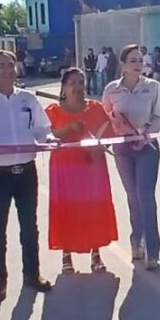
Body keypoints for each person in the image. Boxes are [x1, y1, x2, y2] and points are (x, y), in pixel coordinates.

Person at [0, 50, 54, 301]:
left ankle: (32, 274)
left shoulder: (28, 99)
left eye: (10, 65)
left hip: (26, 172)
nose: (7, 70)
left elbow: (42, 129)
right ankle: (0, 280)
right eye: (1, 66)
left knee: (29, 227)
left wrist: (48, 139)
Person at [46, 68, 119, 273]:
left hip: (92, 168)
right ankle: (66, 254)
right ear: (63, 88)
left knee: (93, 207)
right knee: (66, 208)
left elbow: (109, 134)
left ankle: (96, 254)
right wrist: (68, 129)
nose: (77, 87)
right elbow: (45, 136)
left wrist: (100, 148)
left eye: (80, 82)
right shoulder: (53, 111)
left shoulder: (95, 108)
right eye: (72, 83)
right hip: (64, 169)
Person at [103, 45, 160, 270]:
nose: (138, 65)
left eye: (140, 60)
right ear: (123, 64)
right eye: (133, 61)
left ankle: (152, 251)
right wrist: (114, 123)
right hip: (122, 148)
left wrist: (145, 134)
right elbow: (105, 117)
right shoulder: (112, 89)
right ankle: (136, 239)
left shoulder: (153, 87)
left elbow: (159, 117)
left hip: (147, 146)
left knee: (146, 196)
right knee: (133, 196)